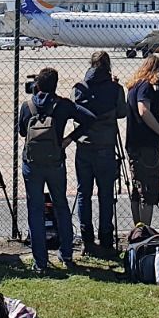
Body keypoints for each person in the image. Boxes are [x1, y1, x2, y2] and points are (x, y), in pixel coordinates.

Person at [17, 67, 97, 273]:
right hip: (55, 161)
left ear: (37, 85)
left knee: (35, 210)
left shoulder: (27, 106)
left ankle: (40, 261)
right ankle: (67, 252)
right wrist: (69, 138)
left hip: (32, 163)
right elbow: (89, 117)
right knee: (60, 205)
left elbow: (21, 131)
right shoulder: (63, 105)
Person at [72, 51, 126, 254]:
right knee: (105, 193)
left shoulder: (79, 88)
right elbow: (122, 112)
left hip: (84, 146)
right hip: (105, 146)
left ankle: (87, 238)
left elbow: (75, 113)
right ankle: (106, 238)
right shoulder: (114, 88)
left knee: (83, 193)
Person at [124, 55, 159, 228]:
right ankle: (145, 230)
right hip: (146, 145)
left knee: (138, 189)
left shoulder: (133, 87)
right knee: (148, 190)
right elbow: (143, 110)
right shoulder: (145, 87)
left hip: (134, 144)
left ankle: (138, 229)